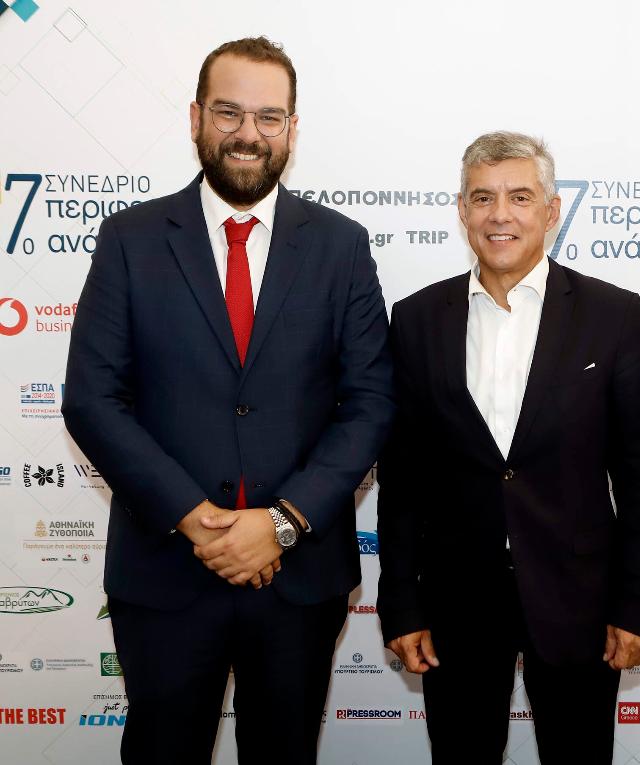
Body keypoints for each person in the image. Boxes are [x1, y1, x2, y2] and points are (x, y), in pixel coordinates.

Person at [62, 36, 393, 764]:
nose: (249, 133)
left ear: (292, 129)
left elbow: (370, 402)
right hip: (166, 570)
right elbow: (91, 399)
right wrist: (194, 517)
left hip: (297, 577)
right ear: (195, 118)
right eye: (229, 112)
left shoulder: (340, 246)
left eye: (269, 117)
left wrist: (281, 522)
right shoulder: (130, 239)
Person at [377, 131, 640, 764]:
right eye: (482, 198)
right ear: (462, 211)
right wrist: (400, 601)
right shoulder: (417, 319)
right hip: (455, 605)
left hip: (580, 603)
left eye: (519, 197)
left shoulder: (611, 315)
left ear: (551, 210)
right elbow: (402, 478)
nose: (499, 214)